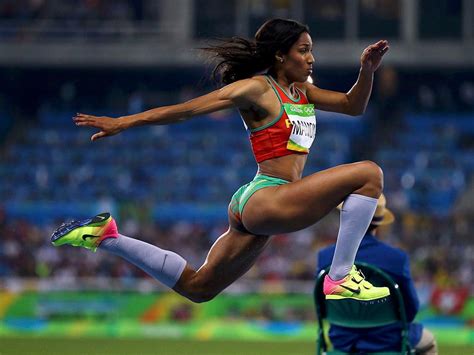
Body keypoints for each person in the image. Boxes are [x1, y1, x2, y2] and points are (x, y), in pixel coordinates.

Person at [51, 18, 391, 304]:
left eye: (311, 50)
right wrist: (123, 122)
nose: (311, 58)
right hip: (266, 197)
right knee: (368, 174)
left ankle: (105, 236)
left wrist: (367, 70)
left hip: (265, 201)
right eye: (303, 50)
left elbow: (353, 106)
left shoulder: (303, 93)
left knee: (199, 288)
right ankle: (341, 275)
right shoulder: (257, 89)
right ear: (280, 55)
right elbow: (187, 110)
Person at [317, 194, 438, 354]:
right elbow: (410, 311)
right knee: (429, 342)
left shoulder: (325, 256)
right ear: (379, 223)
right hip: (388, 342)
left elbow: (322, 308)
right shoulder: (396, 258)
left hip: (342, 342)